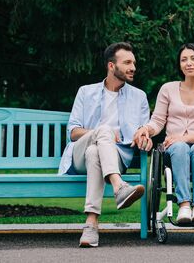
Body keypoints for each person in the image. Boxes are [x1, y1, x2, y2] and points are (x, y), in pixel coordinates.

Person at [58, 42, 152, 247]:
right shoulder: (85, 92)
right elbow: (73, 132)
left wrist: (144, 137)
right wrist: (103, 133)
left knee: (95, 153)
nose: (133, 67)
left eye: (134, 63)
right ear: (111, 66)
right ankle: (119, 187)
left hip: (117, 157)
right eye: (127, 62)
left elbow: (143, 130)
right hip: (78, 156)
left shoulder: (139, 97)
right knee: (101, 134)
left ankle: (91, 224)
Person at [132, 43, 194, 224]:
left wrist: (184, 137)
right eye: (184, 59)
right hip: (175, 148)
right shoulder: (168, 89)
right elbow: (158, 121)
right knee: (180, 147)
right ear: (179, 65)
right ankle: (184, 206)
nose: (188, 63)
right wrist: (146, 129)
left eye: (193, 58)